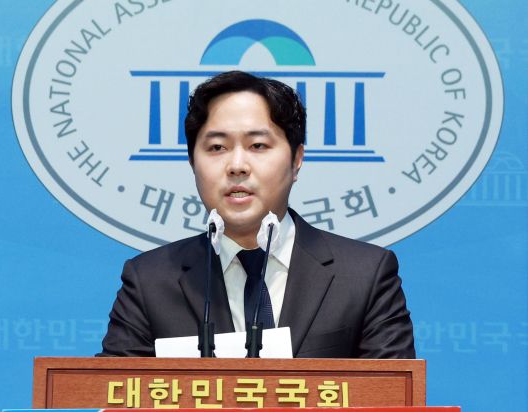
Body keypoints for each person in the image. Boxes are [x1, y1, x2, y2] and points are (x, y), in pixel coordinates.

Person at [99, 71, 415, 358]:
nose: (237, 166)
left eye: (258, 146)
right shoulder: (149, 281)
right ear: (192, 161)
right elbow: (112, 391)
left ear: (297, 160)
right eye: (217, 147)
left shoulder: (364, 276)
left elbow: (392, 392)